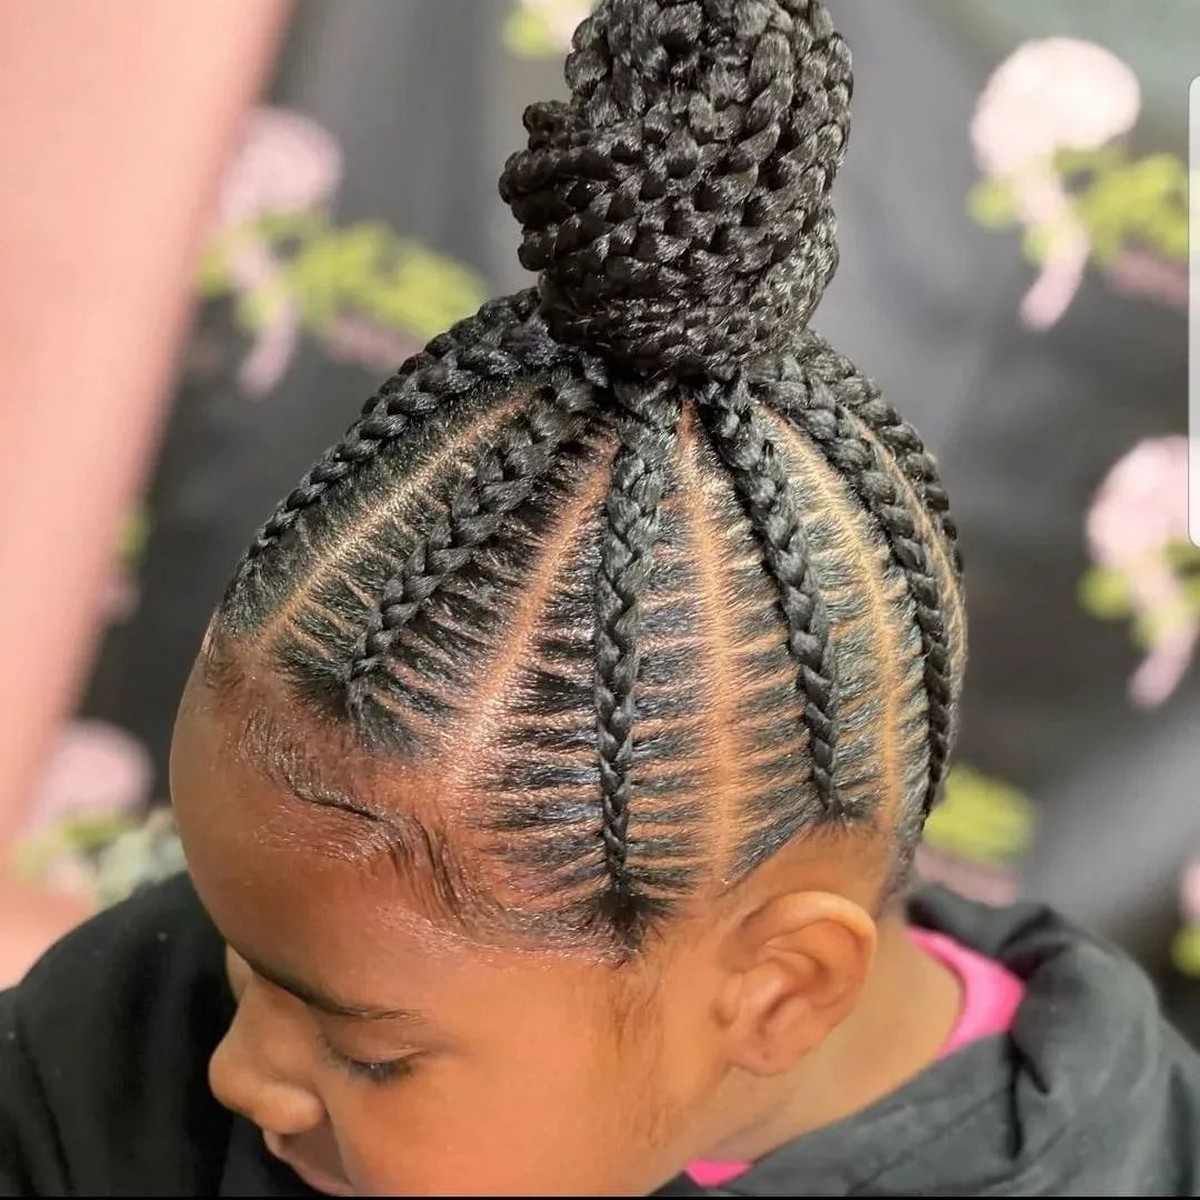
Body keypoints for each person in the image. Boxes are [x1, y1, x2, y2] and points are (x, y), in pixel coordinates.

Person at [3, 1, 1198, 1195]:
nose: (238, 1069)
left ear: (778, 991)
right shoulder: (154, 1031)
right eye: (238, 956)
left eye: (369, 1055)